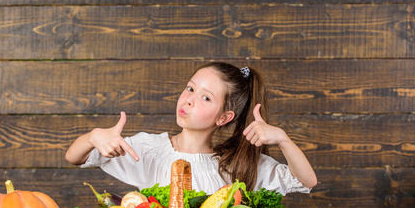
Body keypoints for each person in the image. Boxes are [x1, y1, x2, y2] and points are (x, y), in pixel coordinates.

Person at [66, 62, 317, 195]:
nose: (189, 99)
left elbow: (307, 181)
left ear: (223, 117)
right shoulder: (148, 150)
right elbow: (74, 157)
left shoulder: (237, 165)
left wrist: (283, 139)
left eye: (206, 98)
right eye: (190, 88)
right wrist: (94, 136)